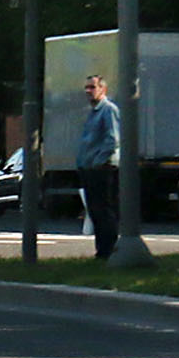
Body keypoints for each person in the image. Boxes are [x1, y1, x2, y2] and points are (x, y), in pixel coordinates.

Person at [76, 75, 123, 261]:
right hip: (90, 169)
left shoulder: (108, 110)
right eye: (86, 87)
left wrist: (97, 163)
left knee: (105, 211)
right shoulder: (93, 112)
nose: (88, 91)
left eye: (92, 87)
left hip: (104, 169)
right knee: (95, 211)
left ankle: (109, 250)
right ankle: (101, 252)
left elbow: (113, 140)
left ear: (103, 89)